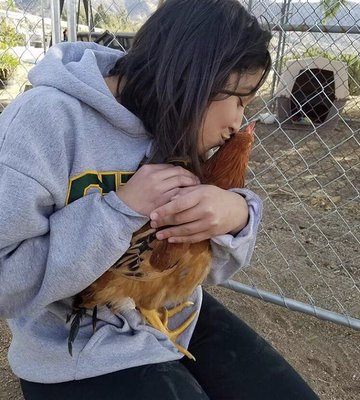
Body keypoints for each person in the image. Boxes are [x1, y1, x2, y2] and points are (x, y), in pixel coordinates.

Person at [0, 0, 319, 398]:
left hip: (173, 313)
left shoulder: (177, 121)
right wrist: (119, 210)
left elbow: (202, 269)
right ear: (192, 79)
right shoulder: (46, 122)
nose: (237, 121)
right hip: (73, 342)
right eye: (237, 99)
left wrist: (237, 216)